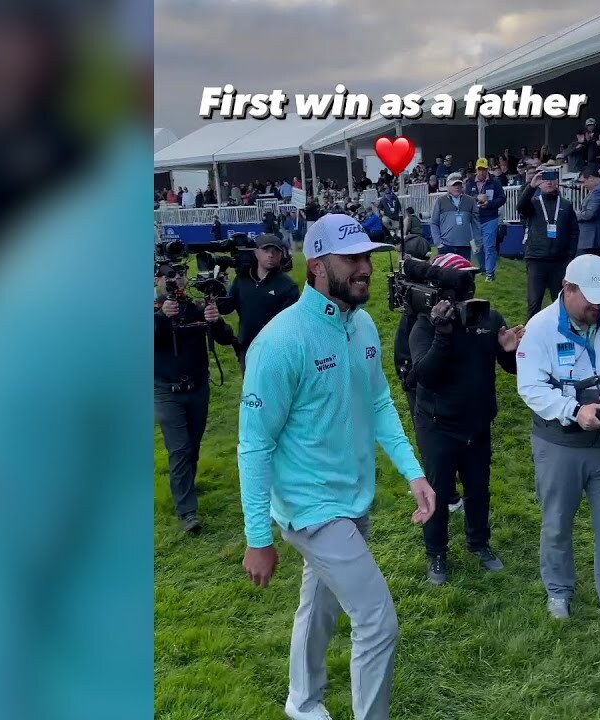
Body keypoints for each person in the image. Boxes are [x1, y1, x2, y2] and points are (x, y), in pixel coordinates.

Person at [238, 212, 435, 720]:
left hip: (353, 497)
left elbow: (379, 401)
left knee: (319, 605)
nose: (364, 267)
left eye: (367, 255)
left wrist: (413, 472)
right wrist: (258, 537)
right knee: (377, 621)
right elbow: (254, 445)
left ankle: (302, 702)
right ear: (317, 265)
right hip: (311, 507)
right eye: (351, 258)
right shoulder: (281, 342)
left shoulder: (361, 325)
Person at [516, 254, 600, 625]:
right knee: (556, 524)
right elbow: (530, 387)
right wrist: (573, 410)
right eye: (590, 300)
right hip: (560, 444)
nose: (598, 307)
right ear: (567, 289)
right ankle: (558, 592)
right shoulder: (540, 328)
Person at [408, 253, 522, 584]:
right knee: (437, 491)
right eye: (461, 282)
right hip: (438, 426)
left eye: (470, 279)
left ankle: (478, 543)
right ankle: (437, 553)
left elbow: (510, 367)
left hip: (477, 425)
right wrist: (443, 334)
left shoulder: (488, 318)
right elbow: (424, 376)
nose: (468, 288)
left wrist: (511, 352)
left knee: (478, 488)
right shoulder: (424, 325)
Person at [155, 277, 237, 534]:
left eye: (180, 274)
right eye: (169, 276)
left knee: (192, 445)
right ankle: (187, 512)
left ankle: (185, 488)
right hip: (166, 391)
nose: (176, 281)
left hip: (198, 387)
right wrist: (162, 317)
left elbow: (226, 338)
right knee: (179, 448)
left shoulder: (196, 308)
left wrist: (216, 321)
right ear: (157, 279)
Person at [217, 233, 300, 372]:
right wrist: (217, 284)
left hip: (276, 352)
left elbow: (291, 325)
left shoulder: (287, 286)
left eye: (275, 251)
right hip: (247, 350)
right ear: (256, 253)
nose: (271, 255)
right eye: (266, 250)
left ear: (281, 255)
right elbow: (225, 308)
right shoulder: (242, 280)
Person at [518, 165, 579, 320]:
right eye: (544, 179)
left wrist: (570, 257)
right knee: (534, 302)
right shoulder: (534, 203)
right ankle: (532, 331)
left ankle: (562, 329)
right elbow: (520, 207)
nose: (549, 182)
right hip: (536, 260)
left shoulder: (565, 205)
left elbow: (574, 232)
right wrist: (531, 186)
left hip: (559, 261)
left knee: (561, 301)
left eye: (552, 178)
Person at [464, 158, 508, 281]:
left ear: (487, 169)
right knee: (477, 247)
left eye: (484, 169)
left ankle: (490, 273)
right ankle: (483, 269)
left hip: (490, 218)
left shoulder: (495, 181)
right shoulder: (470, 183)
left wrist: (489, 204)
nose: (481, 172)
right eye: (479, 169)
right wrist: (476, 198)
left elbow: (502, 198)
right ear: (476, 169)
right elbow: (466, 198)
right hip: (475, 219)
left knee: (489, 246)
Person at [429, 172, 480, 259]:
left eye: (459, 184)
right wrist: (438, 242)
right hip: (445, 245)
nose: (457, 187)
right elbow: (434, 223)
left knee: (464, 268)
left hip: (465, 246)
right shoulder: (440, 201)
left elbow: (476, 223)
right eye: (454, 185)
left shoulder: (470, 201)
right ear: (448, 186)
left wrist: (477, 242)